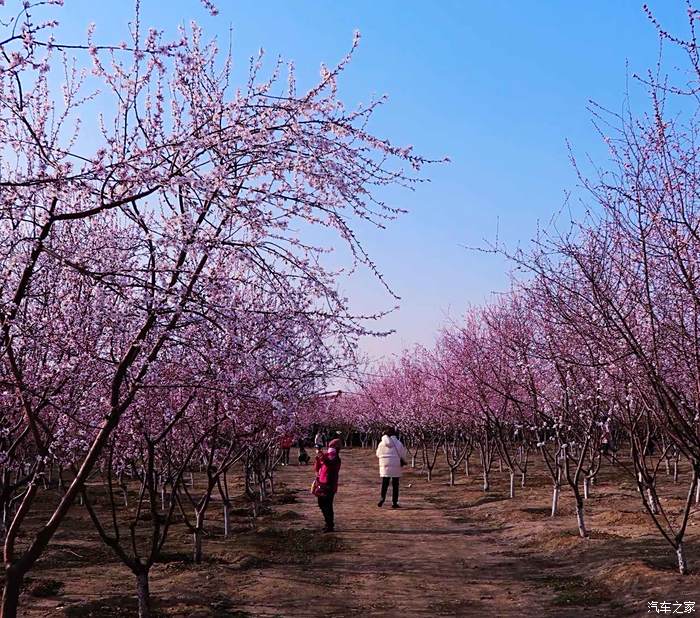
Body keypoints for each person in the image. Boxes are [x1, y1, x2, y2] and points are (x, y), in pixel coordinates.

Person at [313, 438, 342, 532]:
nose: (331, 451)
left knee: (328, 505)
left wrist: (322, 457)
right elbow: (317, 468)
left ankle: (329, 525)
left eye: (333, 448)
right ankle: (328, 523)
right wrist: (318, 459)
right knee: (321, 504)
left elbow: (330, 465)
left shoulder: (336, 459)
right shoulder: (326, 456)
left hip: (330, 485)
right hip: (321, 484)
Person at [375, 428, 409, 508]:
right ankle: (394, 502)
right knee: (395, 484)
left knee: (385, 483)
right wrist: (404, 461)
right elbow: (402, 454)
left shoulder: (381, 443)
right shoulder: (398, 443)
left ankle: (382, 498)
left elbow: (377, 454)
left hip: (385, 466)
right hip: (395, 466)